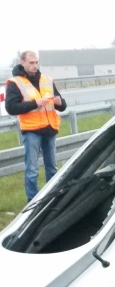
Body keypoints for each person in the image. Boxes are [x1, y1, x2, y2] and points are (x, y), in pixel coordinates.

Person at [4, 50, 67, 201]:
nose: (34, 65)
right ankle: (32, 201)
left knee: (52, 167)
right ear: (23, 63)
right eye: (31, 63)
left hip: (49, 128)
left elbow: (61, 104)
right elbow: (11, 108)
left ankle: (52, 198)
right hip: (32, 130)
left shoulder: (46, 79)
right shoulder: (15, 82)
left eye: (36, 62)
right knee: (32, 169)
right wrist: (35, 103)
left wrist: (60, 103)